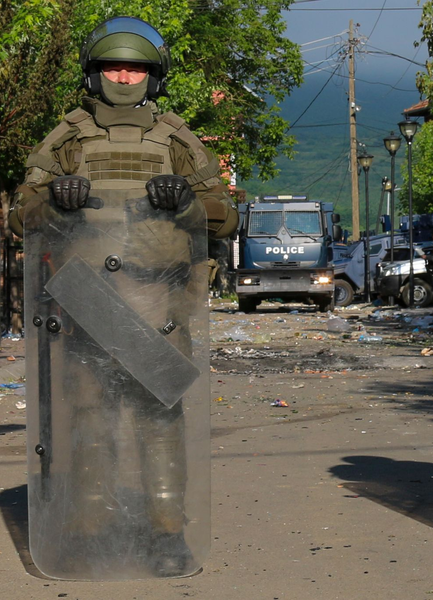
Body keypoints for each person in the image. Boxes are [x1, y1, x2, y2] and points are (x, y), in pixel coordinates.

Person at [11, 16, 238, 578]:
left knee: (158, 416)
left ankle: (168, 535)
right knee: (86, 416)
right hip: (84, 301)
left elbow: (226, 217)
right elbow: (22, 214)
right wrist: (54, 203)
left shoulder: (177, 140)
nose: (124, 76)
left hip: (157, 297)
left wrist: (186, 202)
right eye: (114, 66)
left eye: (135, 67)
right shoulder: (66, 138)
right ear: (93, 75)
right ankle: (88, 532)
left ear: (153, 77)